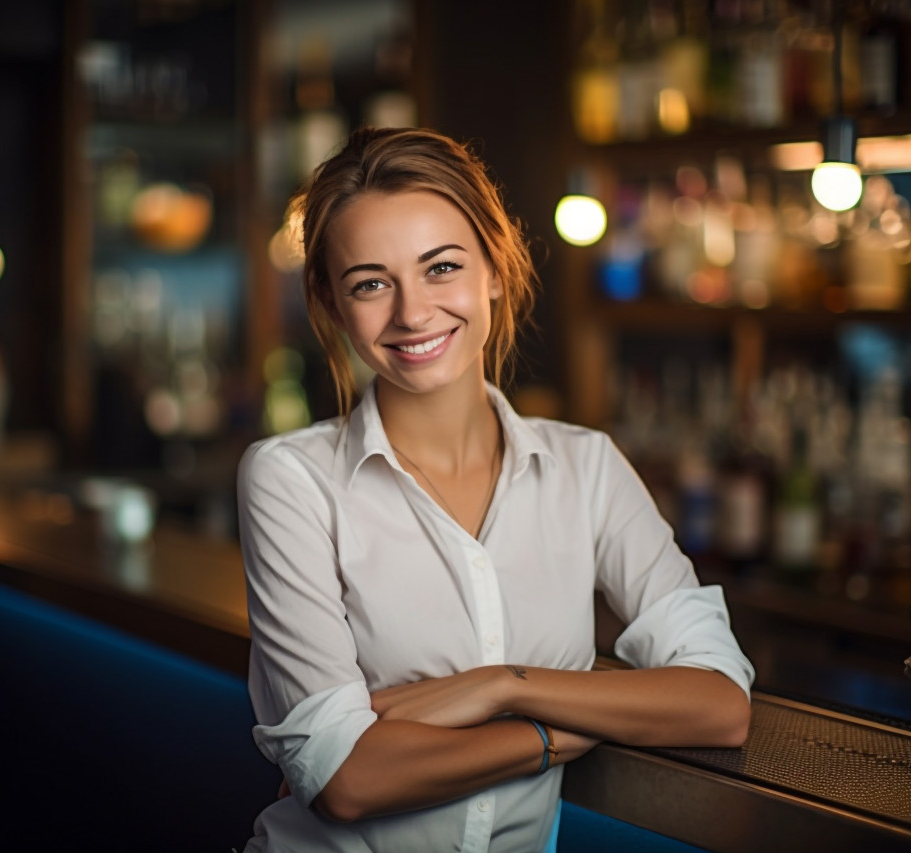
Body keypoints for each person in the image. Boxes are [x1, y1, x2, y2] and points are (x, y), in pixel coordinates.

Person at [236, 126, 754, 852]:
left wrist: (506, 684)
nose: (412, 313)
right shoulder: (290, 480)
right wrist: (553, 731)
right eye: (371, 283)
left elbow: (720, 702)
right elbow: (347, 780)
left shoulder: (588, 468)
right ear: (330, 300)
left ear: (496, 269)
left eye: (441, 267)